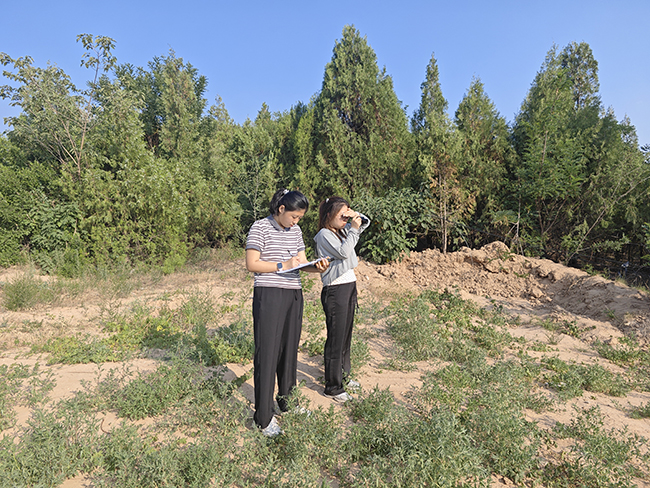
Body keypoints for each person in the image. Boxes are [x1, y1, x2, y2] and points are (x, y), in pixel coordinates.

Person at [245, 189, 329, 437]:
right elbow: (252, 264)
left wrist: (317, 267)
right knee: (267, 353)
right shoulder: (260, 227)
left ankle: (287, 402)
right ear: (281, 209)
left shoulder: (296, 231)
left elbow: (300, 263)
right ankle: (263, 417)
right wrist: (283, 265)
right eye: (294, 216)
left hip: (293, 294)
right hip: (269, 294)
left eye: (300, 218)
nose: (296, 221)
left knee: (289, 350)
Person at [314, 197, 370, 402]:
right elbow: (345, 253)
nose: (346, 219)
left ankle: (344, 376)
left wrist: (353, 215)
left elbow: (365, 222)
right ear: (329, 214)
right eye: (342, 214)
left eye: (347, 214)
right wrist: (353, 228)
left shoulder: (342, 231)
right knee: (336, 339)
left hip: (348, 286)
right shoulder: (324, 235)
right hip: (335, 289)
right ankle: (333, 387)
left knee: (346, 336)